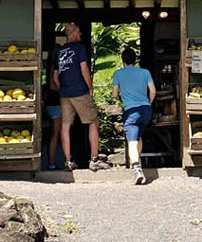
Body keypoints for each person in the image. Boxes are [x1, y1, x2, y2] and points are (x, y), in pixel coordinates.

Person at [53, 21, 101, 172]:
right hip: (79, 91)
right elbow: (84, 68)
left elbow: (55, 76)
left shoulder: (59, 52)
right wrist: (90, 87)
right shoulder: (80, 48)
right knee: (93, 122)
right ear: (72, 33)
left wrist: (64, 88)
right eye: (79, 31)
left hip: (65, 94)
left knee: (65, 126)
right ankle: (94, 159)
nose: (80, 34)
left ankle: (68, 161)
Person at [111, 45, 155, 185]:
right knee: (138, 136)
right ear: (135, 60)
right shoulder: (145, 72)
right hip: (146, 110)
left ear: (122, 60)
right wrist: (148, 102)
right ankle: (139, 161)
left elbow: (114, 94)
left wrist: (121, 99)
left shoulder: (118, 73)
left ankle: (136, 169)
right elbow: (153, 91)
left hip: (131, 112)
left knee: (132, 141)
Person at [43, 35, 64, 170]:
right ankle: (51, 163)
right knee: (56, 134)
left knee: (57, 133)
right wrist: (63, 90)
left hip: (51, 103)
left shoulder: (49, 66)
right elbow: (52, 84)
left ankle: (54, 161)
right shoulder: (54, 67)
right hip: (55, 102)